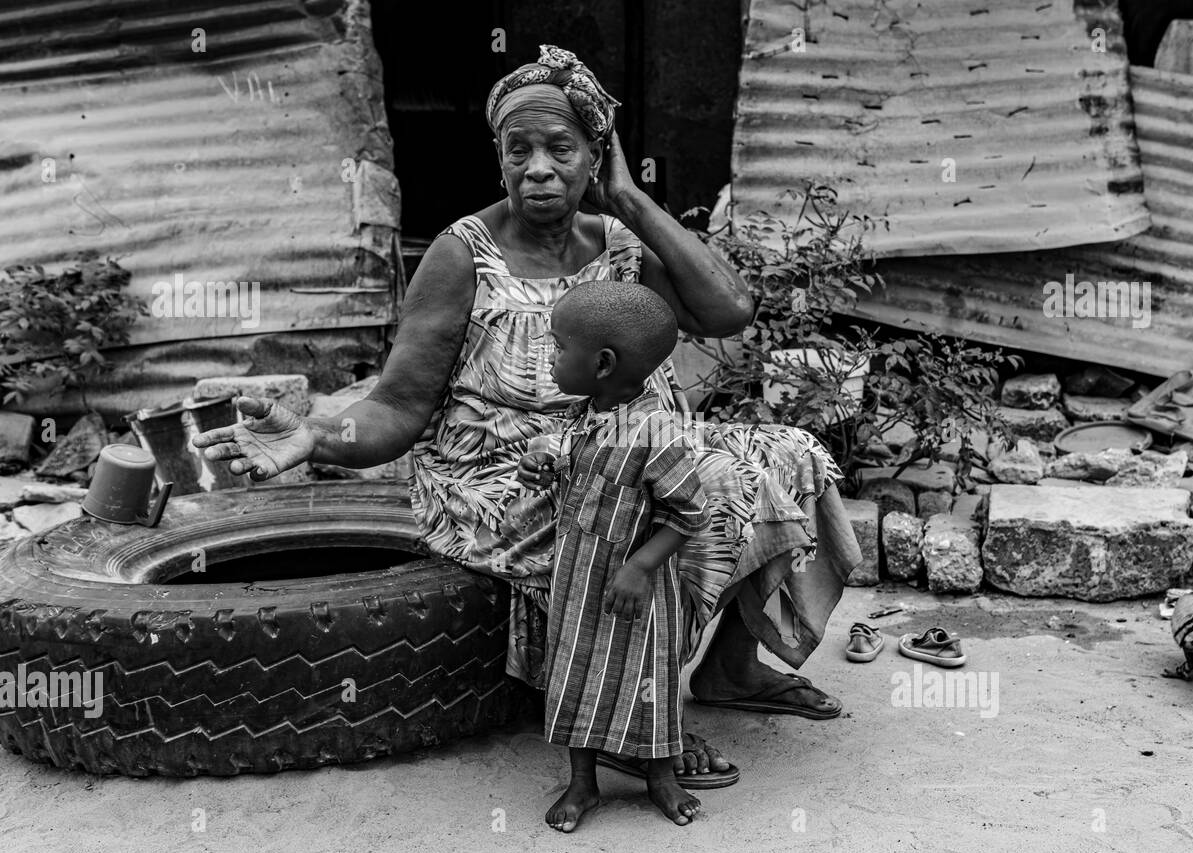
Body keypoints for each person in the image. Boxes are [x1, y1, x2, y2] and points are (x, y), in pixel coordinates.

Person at [192, 44, 862, 789]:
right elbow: (399, 405)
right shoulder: (462, 255)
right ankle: (627, 718)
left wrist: (631, 200)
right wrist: (318, 432)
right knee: (646, 511)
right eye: (519, 150)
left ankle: (732, 670)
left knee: (791, 453)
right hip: (502, 482)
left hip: (629, 448)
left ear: (593, 157)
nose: (537, 167)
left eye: (559, 149)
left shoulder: (616, 243)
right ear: (499, 159)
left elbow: (728, 310)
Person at [518, 281, 709, 830]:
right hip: (578, 584)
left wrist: (641, 566)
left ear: (602, 363)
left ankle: (661, 779)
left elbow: (689, 514)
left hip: (638, 594)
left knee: (649, 680)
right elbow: (573, 482)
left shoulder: (658, 431)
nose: (549, 360)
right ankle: (583, 784)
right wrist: (542, 467)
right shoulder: (585, 415)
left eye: (557, 348)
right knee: (575, 674)